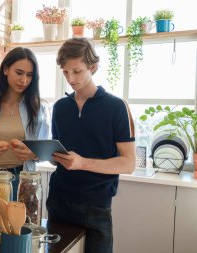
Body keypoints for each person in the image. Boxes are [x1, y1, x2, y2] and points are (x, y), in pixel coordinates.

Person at [46, 37, 136, 253]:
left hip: (95, 207)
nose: (70, 78)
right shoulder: (60, 107)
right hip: (58, 201)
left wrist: (82, 163)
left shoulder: (116, 107)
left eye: (77, 71)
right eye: (66, 72)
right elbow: (58, 155)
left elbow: (128, 163)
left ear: (92, 67)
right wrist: (48, 154)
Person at [0, 47, 51, 201]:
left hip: (24, 181)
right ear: (6, 69)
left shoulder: (40, 108)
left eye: (29, 75)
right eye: (19, 73)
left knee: (21, 225)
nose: (24, 80)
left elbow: (47, 151)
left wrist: (33, 154)